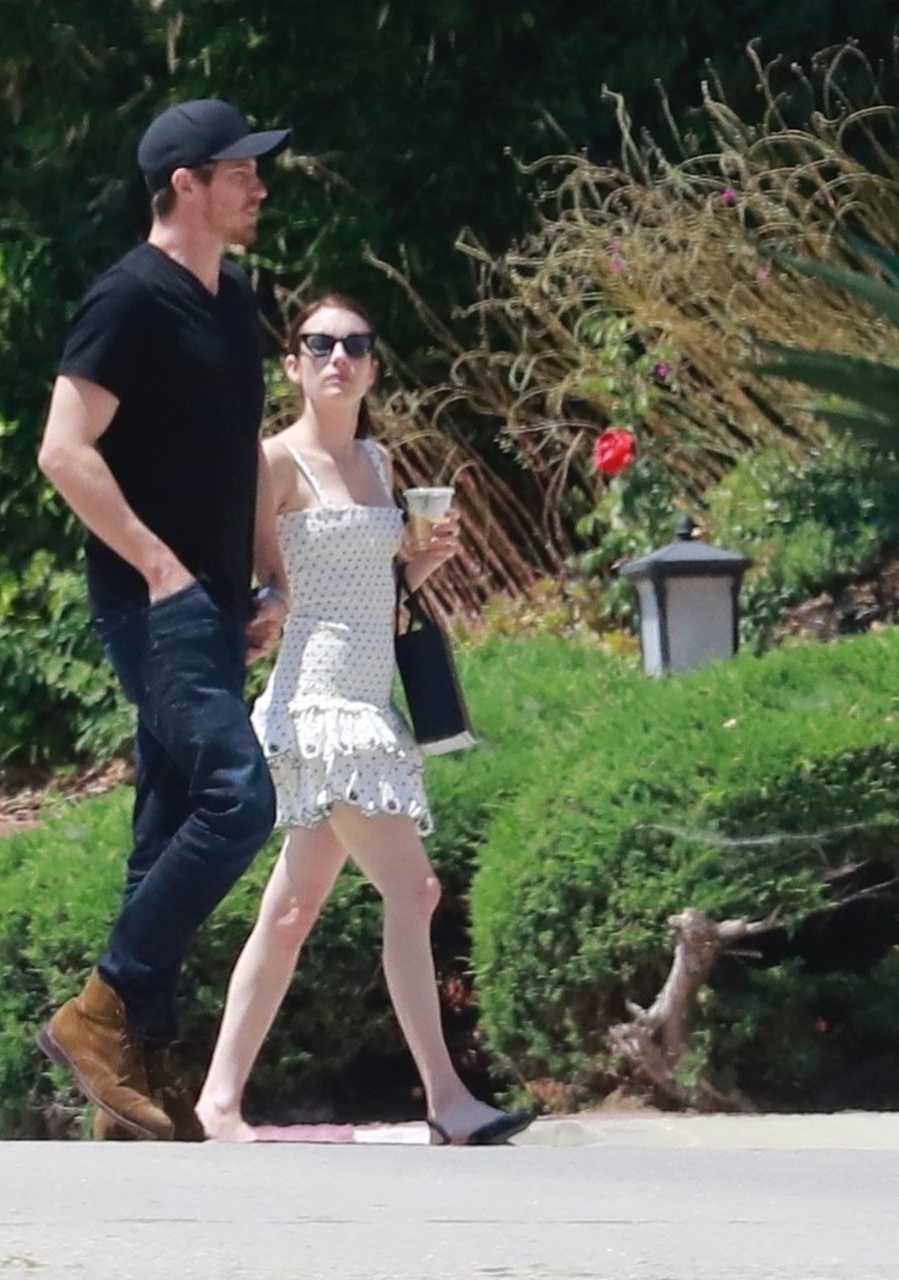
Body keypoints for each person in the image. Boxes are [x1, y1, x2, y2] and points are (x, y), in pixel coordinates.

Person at [192, 295, 535, 1146]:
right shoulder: (275, 463)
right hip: (317, 706)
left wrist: (419, 565)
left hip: (369, 697)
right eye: (319, 345)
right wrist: (258, 612)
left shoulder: (378, 464)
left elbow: (376, 598)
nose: (337, 358)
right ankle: (447, 1098)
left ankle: (218, 1102)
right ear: (294, 367)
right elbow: (245, 579)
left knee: (290, 912)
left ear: (374, 367)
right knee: (414, 890)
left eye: (353, 345)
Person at [33, 99, 293, 1141]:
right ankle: (99, 1009)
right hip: (157, 602)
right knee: (240, 798)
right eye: (240, 170)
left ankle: (125, 1077)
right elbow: (63, 448)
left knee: (167, 823)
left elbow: (244, 453)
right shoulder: (129, 299)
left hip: (216, 600)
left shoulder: (233, 300)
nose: (258, 185)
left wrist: (267, 573)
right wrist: (159, 568)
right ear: (185, 182)